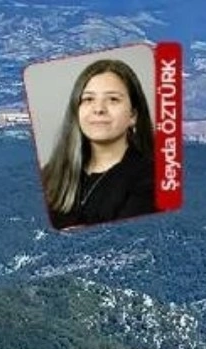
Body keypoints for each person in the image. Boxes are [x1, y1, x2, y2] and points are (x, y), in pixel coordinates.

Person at [41, 58, 156, 230]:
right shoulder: (51, 173)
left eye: (113, 99)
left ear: (133, 115)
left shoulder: (152, 178)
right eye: (88, 99)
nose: (99, 109)